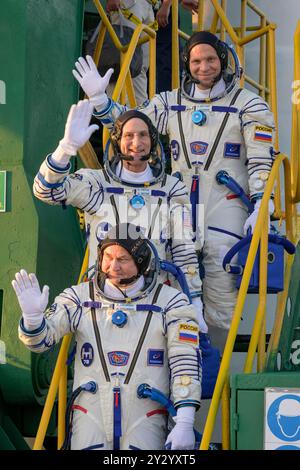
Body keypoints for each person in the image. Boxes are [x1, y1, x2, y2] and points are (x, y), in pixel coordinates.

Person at [71, 31, 276, 352]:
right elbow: (131, 126)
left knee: (221, 289)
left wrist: (262, 202)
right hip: (178, 210)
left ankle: (215, 364)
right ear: (187, 64)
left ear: (223, 61)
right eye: (196, 60)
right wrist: (101, 102)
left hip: (226, 210)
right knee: (160, 279)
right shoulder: (172, 103)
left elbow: (261, 160)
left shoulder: (249, 105)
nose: (204, 67)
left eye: (210, 59)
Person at [12, 223, 201, 450]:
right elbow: (42, 342)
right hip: (90, 413)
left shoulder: (171, 302)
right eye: (108, 257)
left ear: (141, 262)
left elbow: (185, 363)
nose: (113, 266)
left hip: (146, 414)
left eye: (123, 259)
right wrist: (33, 318)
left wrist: (185, 421)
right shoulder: (79, 297)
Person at [33, 100, 207, 332]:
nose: (137, 143)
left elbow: (184, 251)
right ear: (117, 140)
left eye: (143, 135)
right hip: (103, 303)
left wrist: (194, 300)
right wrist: (64, 149)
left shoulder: (172, 188)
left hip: (155, 302)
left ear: (153, 140)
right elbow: (45, 191)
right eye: (129, 136)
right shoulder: (98, 184)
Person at [104, 0, 157, 105]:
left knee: (140, 66)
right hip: (129, 4)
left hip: (149, 5)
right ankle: (116, 113)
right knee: (119, 62)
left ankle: (139, 111)